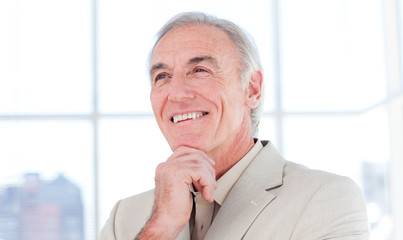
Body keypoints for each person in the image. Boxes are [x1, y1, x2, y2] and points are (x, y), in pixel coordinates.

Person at [100, 12, 369, 240]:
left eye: (200, 70)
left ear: (252, 89)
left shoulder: (324, 198)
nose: (177, 93)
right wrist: (160, 229)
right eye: (162, 76)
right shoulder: (124, 218)